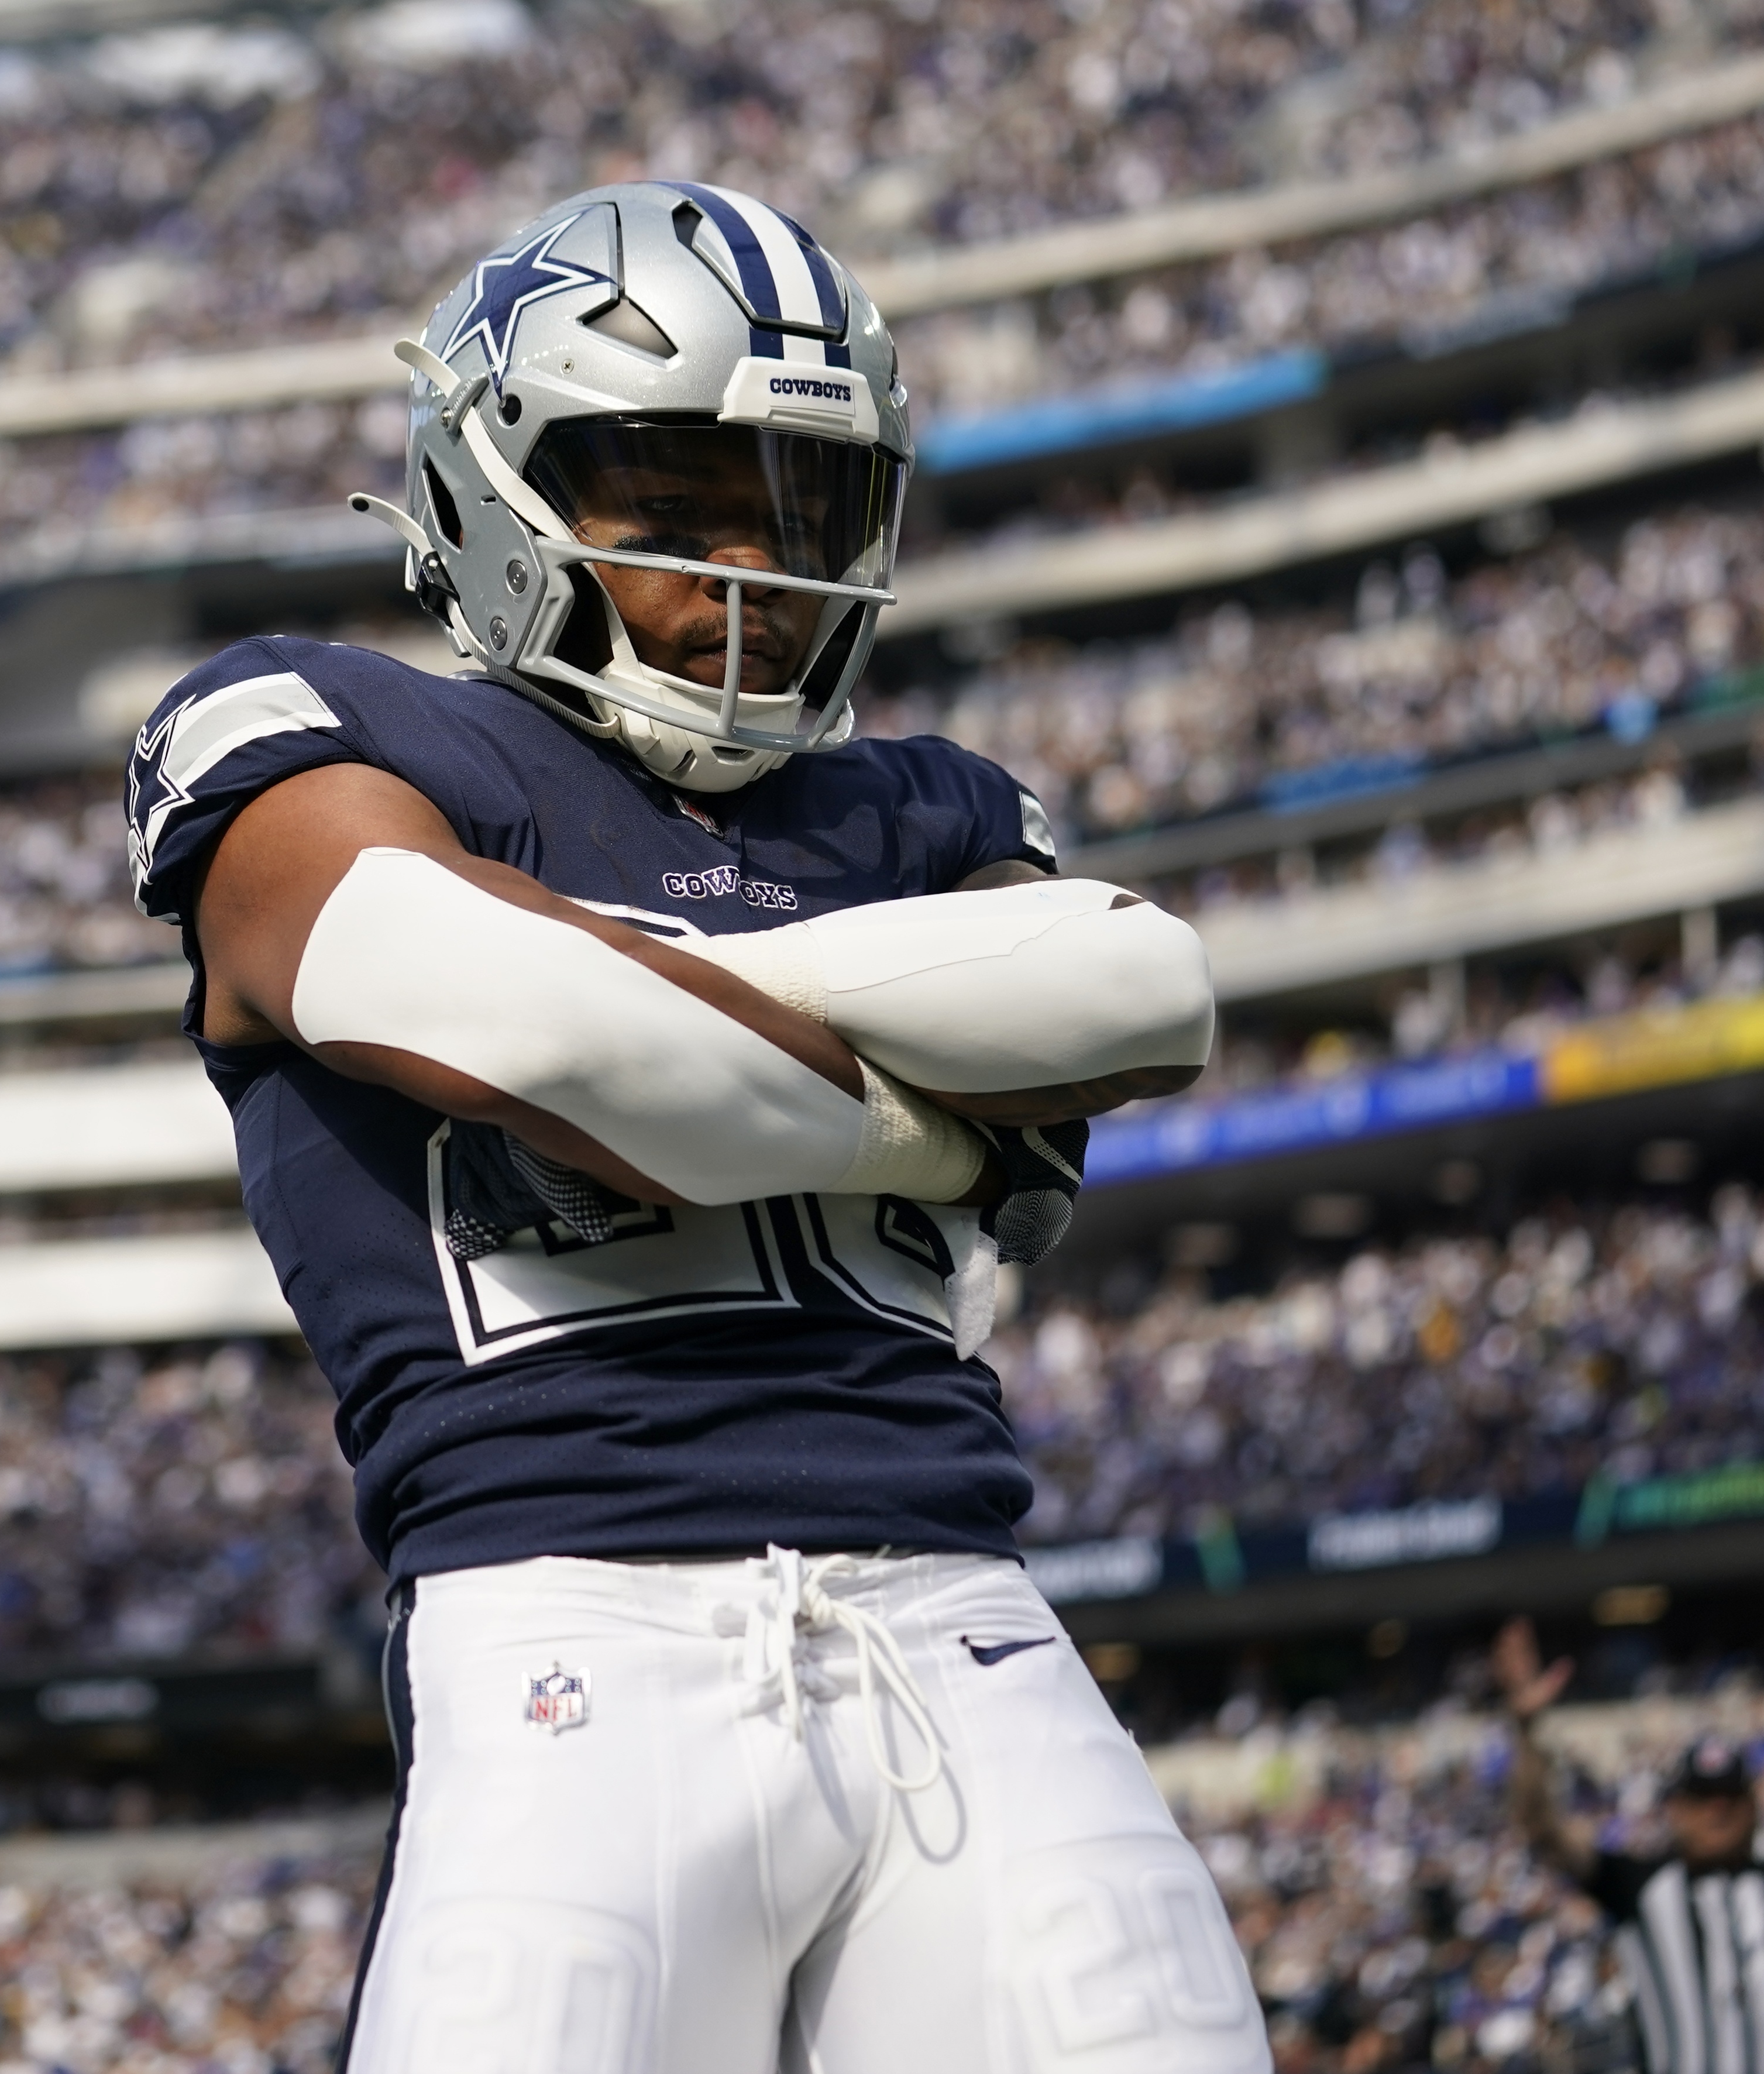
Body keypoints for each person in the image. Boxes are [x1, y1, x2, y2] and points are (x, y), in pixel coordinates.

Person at [125, 181, 1257, 2071]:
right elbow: (509, 1016)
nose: (741, 569)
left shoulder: (904, 793)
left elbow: (1139, 994)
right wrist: (921, 1122)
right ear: (497, 489)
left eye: (792, 507)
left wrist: (656, 1012)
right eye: (666, 499)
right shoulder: (312, 722)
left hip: (959, 1619)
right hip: (572, 1629)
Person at [1496, 1615, 1764, 2074]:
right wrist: (1525, 1730)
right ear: (1675, 1809)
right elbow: (1542, 1828)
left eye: (1729, 1797)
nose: (1716, 1811)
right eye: (1701, 1799)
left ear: (1754, 1802)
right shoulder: (1639, 1886)